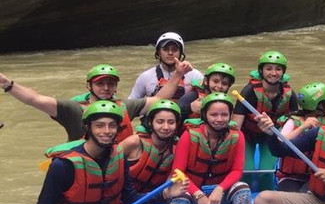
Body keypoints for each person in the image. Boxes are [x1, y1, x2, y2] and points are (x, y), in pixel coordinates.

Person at [34, 100, 180, 204]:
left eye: (112, 126)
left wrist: (164, 194)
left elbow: (130, 198)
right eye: (99, 126)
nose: (107, 131)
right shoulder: (64, 165)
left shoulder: (118, 157)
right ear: (88, 127)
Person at [0, 63, 187, 142]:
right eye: (100, 83)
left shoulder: (125, 107)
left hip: (115, 168)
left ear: (115, 87)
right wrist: (7, 84)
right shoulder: (73, 109)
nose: (105, 88)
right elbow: (34, 99)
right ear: (89, 86)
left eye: (110, 84)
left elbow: (158, 100)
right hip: (85, 169)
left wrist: (178, 74)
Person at [171, 92, 251, 204]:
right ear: (204, 115)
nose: (219, 119)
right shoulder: (188, 136)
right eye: (213, 115)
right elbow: (177, 172)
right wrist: (198, 195)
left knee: (243, 190)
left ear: (230, 115)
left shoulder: (238, 136)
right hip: (193, 192)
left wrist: (220, 189)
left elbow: (237, 170)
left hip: (221, 192)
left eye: (224, 115)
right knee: (179, 200)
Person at [234, 50, 296, 189]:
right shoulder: (249, 91)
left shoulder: (290, 94)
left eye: (278, 69)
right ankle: (244, 193)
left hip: (271, 137)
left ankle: (266, 195)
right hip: (247, 136)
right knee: (246, 171)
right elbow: (236, 125)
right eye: (268, 68)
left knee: (267, 172)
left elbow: (296, 121)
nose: (273, 73)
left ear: (283, 72)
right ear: (261, 71)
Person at [118, 99, 184, 204]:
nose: (166, 127)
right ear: (150, 122)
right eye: (160, 122)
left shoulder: (177, 149)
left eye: (171, 122)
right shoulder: (134, 143)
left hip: (152, 201)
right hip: (123, 201)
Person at [273, 81, 325, 192]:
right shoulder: (293, 121)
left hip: (314, 176)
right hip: (291, 177)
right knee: (290, 197)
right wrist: (302, 127)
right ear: (318, 105)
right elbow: (279, 142)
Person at [128, 32, 203, 101]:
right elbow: (130, 105)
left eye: (174, 49)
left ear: (180, 53)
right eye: (165, 49)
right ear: (159, 52)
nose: (170, 53)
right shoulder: (145, 77)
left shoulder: (195, 75)